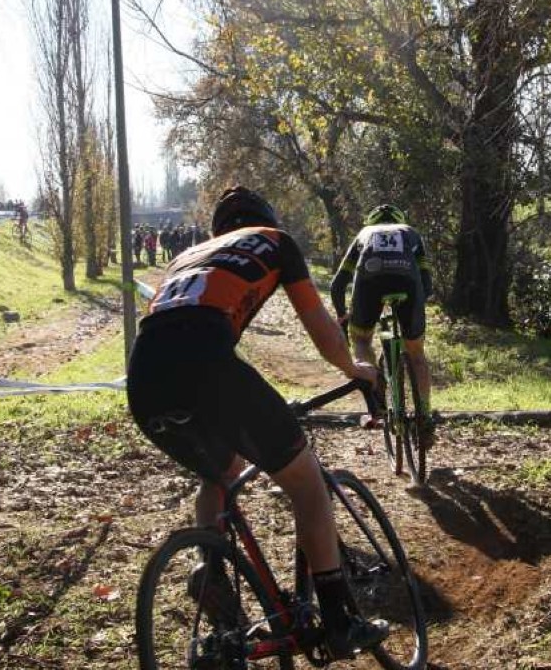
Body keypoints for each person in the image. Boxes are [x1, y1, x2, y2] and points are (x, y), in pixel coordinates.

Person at [126, 187, 387, 660]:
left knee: (221, 474)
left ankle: (216, 582)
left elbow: (183, 326)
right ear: (264, 218)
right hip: (206, 366)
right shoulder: (274, 241)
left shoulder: (185, 257)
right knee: (307, 485)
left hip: (143, 380)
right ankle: (339, 620)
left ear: (215, 231)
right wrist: (356, 370)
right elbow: (321, 328)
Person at [330, 204, 435, 442]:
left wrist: (342, 315)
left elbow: (339, 283)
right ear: (399, 220)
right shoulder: (411, 232)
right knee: (416, 353)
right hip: (408, 283)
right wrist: (416, 306)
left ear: (371, 221)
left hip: (369, 281)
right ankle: (425, 417)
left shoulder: (364, 234)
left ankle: (375, 393)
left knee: (362, 338)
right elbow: (427, 284)